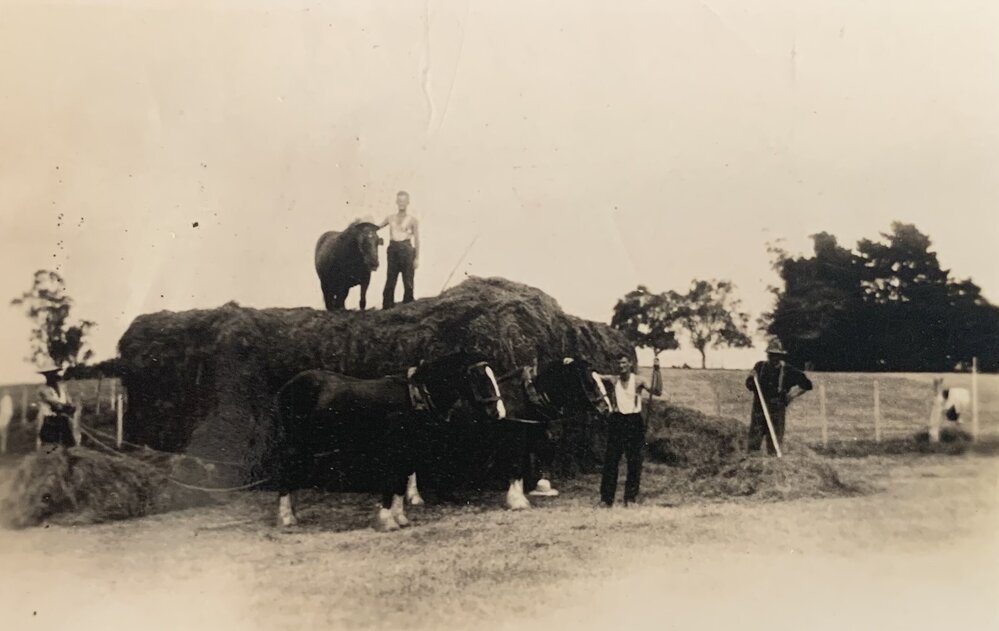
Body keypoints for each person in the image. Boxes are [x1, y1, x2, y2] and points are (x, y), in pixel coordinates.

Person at [598, 354, 661, 507]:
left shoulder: (639, 380)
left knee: (634, 461)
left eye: (624, 363)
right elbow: (593, 376)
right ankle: (606, 499)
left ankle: (630, 498)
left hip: (634, 422)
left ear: (630, 364)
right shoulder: (613, 380)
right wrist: (572, 362)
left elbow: (657, 391)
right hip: (617, 421)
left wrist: (657, 371)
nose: (621, 366)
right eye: (618, 363)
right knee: (611, 461)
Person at [745, 339, 812, 455]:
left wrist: (791, 396)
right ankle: (752, 461)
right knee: (754, 440)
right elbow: (749, 384)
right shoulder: (760, 367)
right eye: (771, 355)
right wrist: (750, 378)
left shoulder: (788, 371)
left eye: (776, 355)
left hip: (777, 410)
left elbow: (807, 385)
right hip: (759, 409)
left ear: (781, 356)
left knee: (774, 442)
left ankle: (774, 462)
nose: (773, 358)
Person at [378, 190, 420, 309]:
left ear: (408, 202)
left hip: (407, 250)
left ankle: (408, 306)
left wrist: (417, 258)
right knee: (391, 278)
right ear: (396, 202)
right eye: (399, 201)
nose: (402, 203)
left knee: (408, 280)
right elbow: (377, 227)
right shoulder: (390, 218)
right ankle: (387, 306)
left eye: (404, 201)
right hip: (393, 250)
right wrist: (366, 225)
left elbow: (417, 240)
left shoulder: (412, 220)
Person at [36, 361, 77, 452]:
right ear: (45, 376)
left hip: (63, 419)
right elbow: (55, 404)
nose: (52, 376)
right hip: (50, 420)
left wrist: (70, 406)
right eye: (48, 374)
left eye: (53, 373)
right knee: (51, 447)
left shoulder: (62, 387)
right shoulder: (43, 389)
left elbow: (69, 400)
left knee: (68, 445)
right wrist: (67, 408)